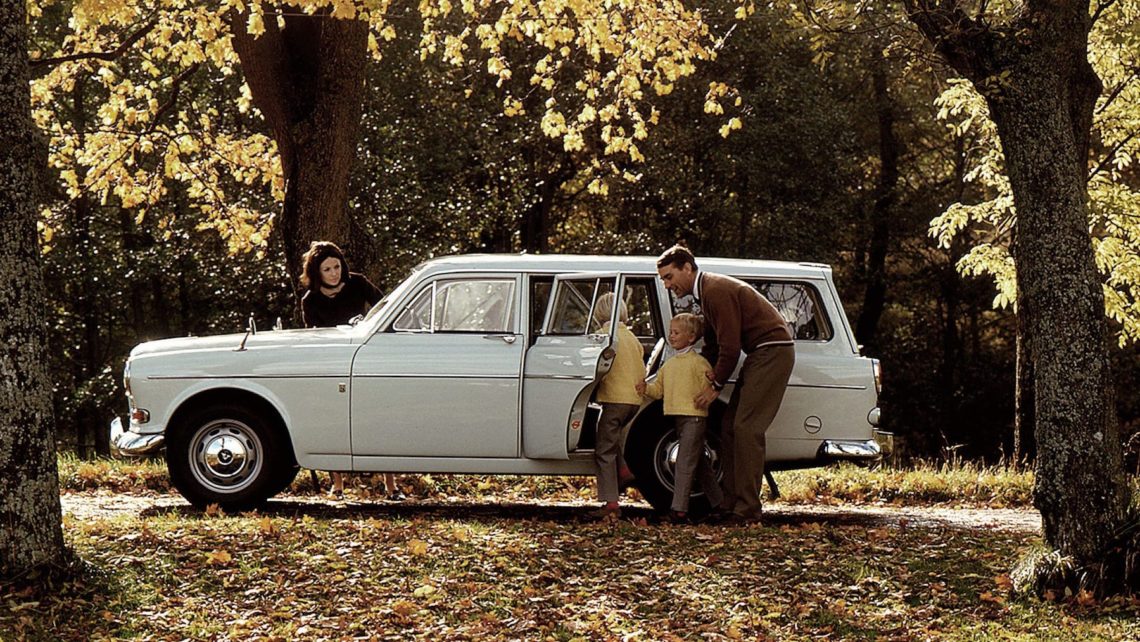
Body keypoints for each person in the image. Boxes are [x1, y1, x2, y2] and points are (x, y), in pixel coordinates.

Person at [656, 245, 795, 524]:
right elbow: (713, 343)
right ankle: (730, 504)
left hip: (772, 350)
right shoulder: (706, 292)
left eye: (670, 277)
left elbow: (729, 347)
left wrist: (714, 385)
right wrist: (703, 369)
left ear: (687, 267)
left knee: (746, 429)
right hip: (760, 352)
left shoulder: (715, 290)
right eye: (663, 280)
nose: (668, 284)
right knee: (729, 427)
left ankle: (748, 510)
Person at [298, 241, 403, 500]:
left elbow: (386, 307)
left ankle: (391, 486)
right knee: (332, 421)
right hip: (334, 361)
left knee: (379, 419)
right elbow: (315, 337)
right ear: (316, 272)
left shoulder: (358, 283)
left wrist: (367, 324)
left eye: (337, 266)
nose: (334, 273)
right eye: (327, 269)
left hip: (366, 357)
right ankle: (338, 485)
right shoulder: (310, 300)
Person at [637, 313, 724, 523]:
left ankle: (679, 510)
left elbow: (709, 388)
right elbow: (658, 390)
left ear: (691, 337)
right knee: (700, 464)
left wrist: (710, 387)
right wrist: (644, 388)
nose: (672, 336)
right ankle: (720, 503)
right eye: (671, 332)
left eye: (676, 333)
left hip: (694, 418)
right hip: (678, 419)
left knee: (684, 462)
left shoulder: (699, 363)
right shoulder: (669, 365)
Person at [589, 292, 641, 522]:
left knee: (603, 449)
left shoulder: (603, 337)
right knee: (613, 437)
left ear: (598, 314)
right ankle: (624, 469)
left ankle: (611, 503)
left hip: (614, 399)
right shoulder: (632, 338)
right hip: (633, 401)